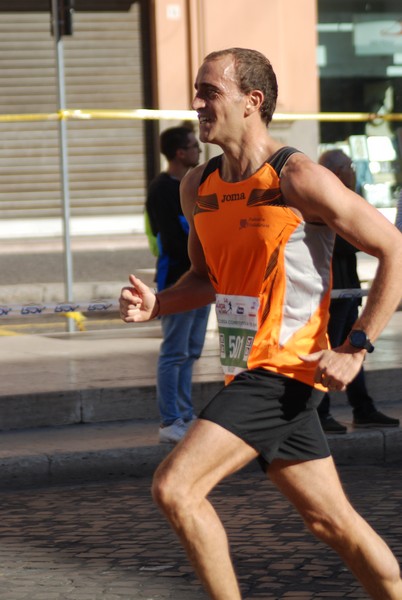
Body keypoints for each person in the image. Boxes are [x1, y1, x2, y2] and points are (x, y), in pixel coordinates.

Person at [120, 48, 402, 599]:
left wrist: (357, 344)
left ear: (252, 102)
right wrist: (160, 305)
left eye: (209, 92)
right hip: (244, 371)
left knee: (176, 488)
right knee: (330, 524)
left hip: (282, 373)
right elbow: (205, 279)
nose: (196, 103)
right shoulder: (196, 186)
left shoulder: (297, 178)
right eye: (197, 91)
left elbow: (394, 248)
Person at [317, 149, 399, 434]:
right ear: (339, 171)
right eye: (350, 166)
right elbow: (345, 243)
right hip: (332, 290)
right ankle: (321, 411)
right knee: (329, 349)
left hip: (347, 288)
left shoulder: (347, 198)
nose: (354, 171)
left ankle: (363, 408)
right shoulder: (326, 199)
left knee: (353, 350)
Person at [145, 126, 210, 444]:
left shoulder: (195, 182)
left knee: (192, 351)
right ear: (180, 153)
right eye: (193, 146)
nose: (199, 150)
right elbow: (171, 239)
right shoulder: (162, 189)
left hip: (202, 279)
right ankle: (171, 419)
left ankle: (184, 413)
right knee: (174, 351)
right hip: (178, 281)